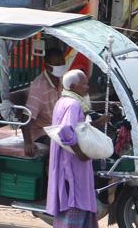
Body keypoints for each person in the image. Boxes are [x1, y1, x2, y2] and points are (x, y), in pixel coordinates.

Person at [47, 69, 102, 228]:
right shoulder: (73, 104)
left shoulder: (63, 100)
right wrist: (80, 153)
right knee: (75, 198)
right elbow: (65, 130)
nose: (87, 87)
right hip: (71, 161)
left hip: (66, 159)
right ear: (72, 86)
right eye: (84, 84)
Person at [22, 47, 67, 157]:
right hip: (42, 133)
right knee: (65, 147)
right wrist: (28, 142)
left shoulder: (61, 80)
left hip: (56, 127)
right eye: (57, 64)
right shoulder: (39, 87)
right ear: (47, 66)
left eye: (62, 63)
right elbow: (26, 117)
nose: (61, 66)